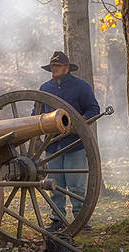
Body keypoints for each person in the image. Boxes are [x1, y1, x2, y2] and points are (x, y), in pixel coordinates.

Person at [38, 51, 99, 232]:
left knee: (76, 185)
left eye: (57, 66)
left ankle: (81, 218)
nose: (54, 69)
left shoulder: (81, 87)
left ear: (67, 68)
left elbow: (93, 109)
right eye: (52, 67)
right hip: (52, 144)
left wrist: (79, 121)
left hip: (74, 144)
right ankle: (57, 218)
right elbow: (37, 112)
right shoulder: (44, 88)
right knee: (55, 184)